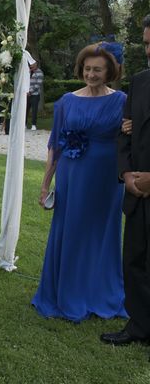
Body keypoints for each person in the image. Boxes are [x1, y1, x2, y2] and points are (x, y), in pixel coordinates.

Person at [32, 42, 127, 322]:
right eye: (87, 69)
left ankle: (99, 290)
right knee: (71, 229)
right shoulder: (66, 101)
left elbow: (131, 134)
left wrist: (129, 127)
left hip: (108, 178)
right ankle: (67, 291)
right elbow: (54, 147)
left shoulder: (121, 101)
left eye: (97, 69)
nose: (91, 74)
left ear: (109, 71)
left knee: (102, 233)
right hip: (73, 176)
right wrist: (45, 184)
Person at [101, 16, 150, 347]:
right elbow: (125, 133)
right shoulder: (140, 82)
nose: (149, 51)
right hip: (136, 192)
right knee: (134, 260)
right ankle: (139, 325)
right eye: (146, 43)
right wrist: (126, 173)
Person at [27, 54, 44, 131]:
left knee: (34, 110)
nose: (31, 66)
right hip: (27, 94)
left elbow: (38, 84)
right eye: (30, 64)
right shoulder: (28, 72)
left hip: (35, 95)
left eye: (33, 65)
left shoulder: (39, 73)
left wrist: (30, 92)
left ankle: (34, 125)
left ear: (36, 65)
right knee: (26, 110)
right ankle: (24, 124)